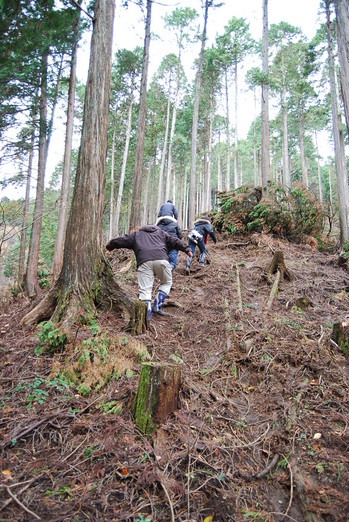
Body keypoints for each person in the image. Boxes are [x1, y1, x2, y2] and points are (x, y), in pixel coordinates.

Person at [106, 225, 192, 321]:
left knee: (145, 291)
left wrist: (110, 245)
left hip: (144, 262)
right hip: (162, 261)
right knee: (166, 282)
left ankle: (146, 319)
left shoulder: (137, 234)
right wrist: (187, 249)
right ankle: (157, 305)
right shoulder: (161, 233)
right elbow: (175, 241)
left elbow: (122, 240)